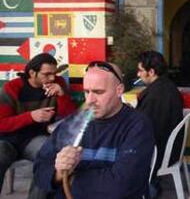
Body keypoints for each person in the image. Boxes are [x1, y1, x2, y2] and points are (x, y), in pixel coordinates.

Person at [33, 61, 155, 199]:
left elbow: (123, 186)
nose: (90, 100)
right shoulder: (73, 122)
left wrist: (70, 179)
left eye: (98, 92)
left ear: (119, 90)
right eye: (86, 92)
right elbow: (39, 169)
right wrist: (59, 173)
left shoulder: (137, 125)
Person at [0, 53, 76, 197]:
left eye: (54, 73)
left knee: (49, 156)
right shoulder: (12, 88)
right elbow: (1, 123)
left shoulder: (57, 84)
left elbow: (70, 118)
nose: (52, 78)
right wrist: (31, 117)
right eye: (46, 74)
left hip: (35, 138)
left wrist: (62, 96)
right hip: (8, 139)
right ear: (32, 73)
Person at [136, 51, 184, 196]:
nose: (138, 74)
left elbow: (145, 132)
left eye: (140, 71)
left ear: (151, 72)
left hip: (160, 153)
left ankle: (148, 189)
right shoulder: (166, 86)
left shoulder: (157, 95)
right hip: (170, 149)